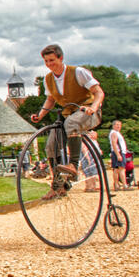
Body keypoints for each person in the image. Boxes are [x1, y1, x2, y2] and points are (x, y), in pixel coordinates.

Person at [30, 44, 105, 182]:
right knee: (51, 144)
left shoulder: (78, 72)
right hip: (68, 114)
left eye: (52, 60)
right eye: (46, 61)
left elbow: (99, 92)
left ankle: (73, 165)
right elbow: (50, 100)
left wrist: (93, 108)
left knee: (72, 123)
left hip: (88, 112)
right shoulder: (48, 79)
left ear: (61, 58)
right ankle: (58, 185)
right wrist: (40, 115)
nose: (49, 64)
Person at [109, 120, 128, 190]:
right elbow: (114, 144)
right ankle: (124, 185)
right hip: (118, 152)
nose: (118, 126)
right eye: (117, 124)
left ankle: (117, 185)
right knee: (121, 169)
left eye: (119, 125)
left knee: (116, 169)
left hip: (118, 152)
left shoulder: (116, 133)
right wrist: (118, 154)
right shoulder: (114, 133)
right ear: (113, 125)